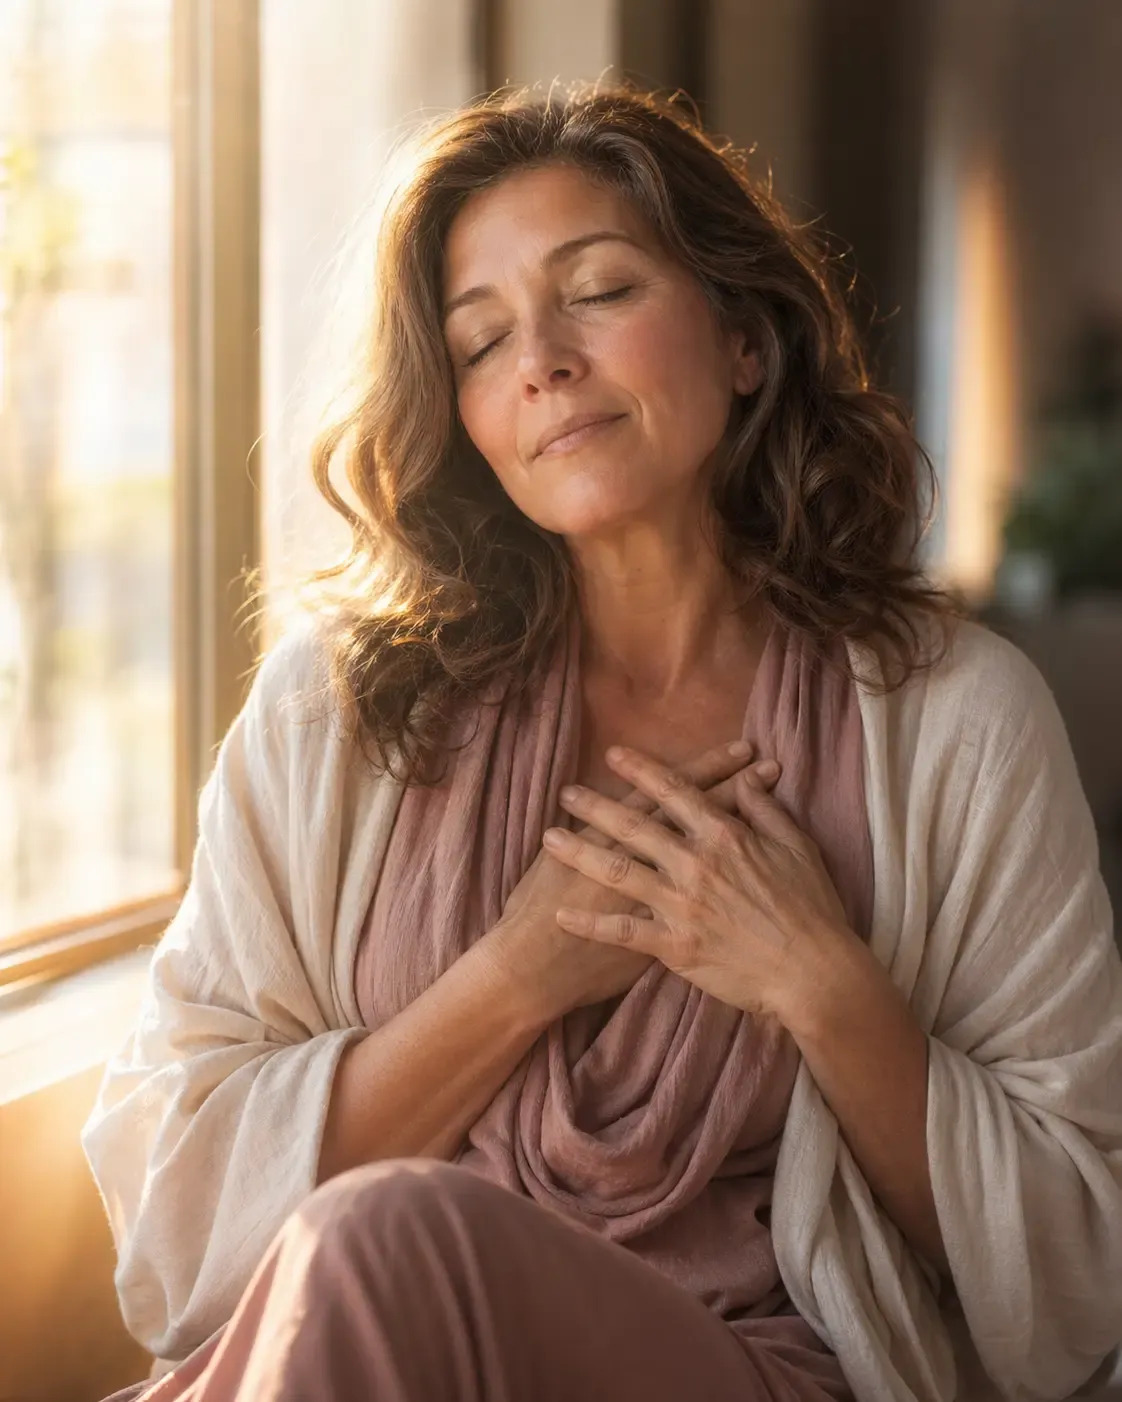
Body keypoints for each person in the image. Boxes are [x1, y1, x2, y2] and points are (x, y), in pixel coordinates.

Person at [84, 83, 1122, 1402]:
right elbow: (174, 1206)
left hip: (747, 1364)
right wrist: (515, 974)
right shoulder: (330, 715)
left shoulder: (958, 721)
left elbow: (1076, 1268)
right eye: (480, 341)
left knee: (383, 1235)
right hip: (366, 1349)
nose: (542, 361)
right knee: (382, 1247)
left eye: (600, 290)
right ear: (459, 413)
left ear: (743, 337)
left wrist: (820, 982)